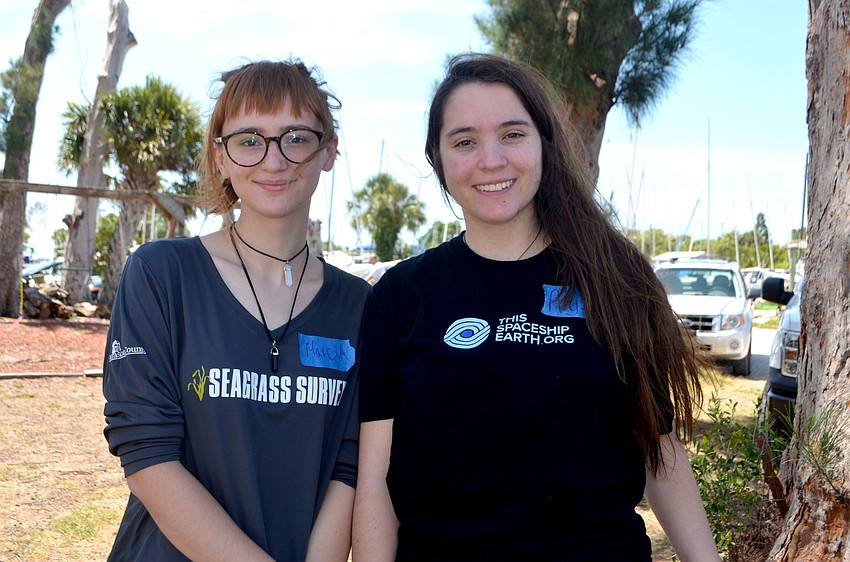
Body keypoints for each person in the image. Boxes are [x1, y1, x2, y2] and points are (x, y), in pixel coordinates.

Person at [352, 53, 721, 562]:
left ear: (543, 143)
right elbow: (376, 478)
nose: (491, 159)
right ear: (438, 161)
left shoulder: (617, 280)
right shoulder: (399, 295)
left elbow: (661, 456)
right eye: (464, 141)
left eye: (512, 134)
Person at [102, 59, 369, 562]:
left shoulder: (359, 305)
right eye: (249, 140)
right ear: (220, 158)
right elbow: (146, 451)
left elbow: (349, 465)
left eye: (296, 137)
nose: (273, 161)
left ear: (328, 151)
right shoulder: (163, 275)